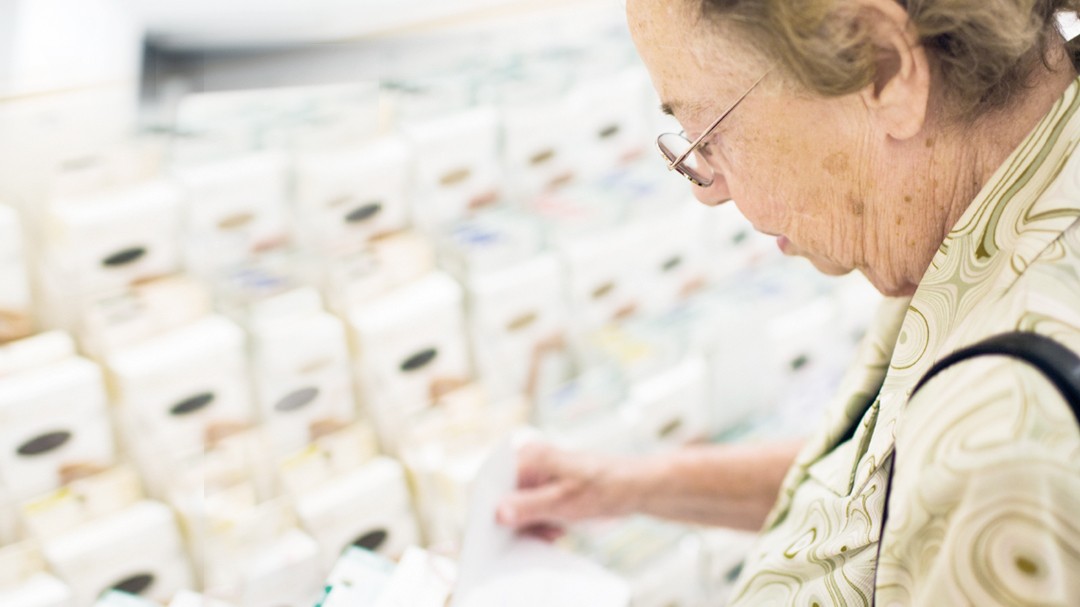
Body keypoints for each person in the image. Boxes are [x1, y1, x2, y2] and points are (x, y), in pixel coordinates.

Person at [496, 0, 1080, 604]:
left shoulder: (1009, 438)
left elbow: (969, 468)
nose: (709, 191)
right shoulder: (990, 205)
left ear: (880, 65)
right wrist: (624, 486)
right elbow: (887, 490)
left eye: (709, 135)